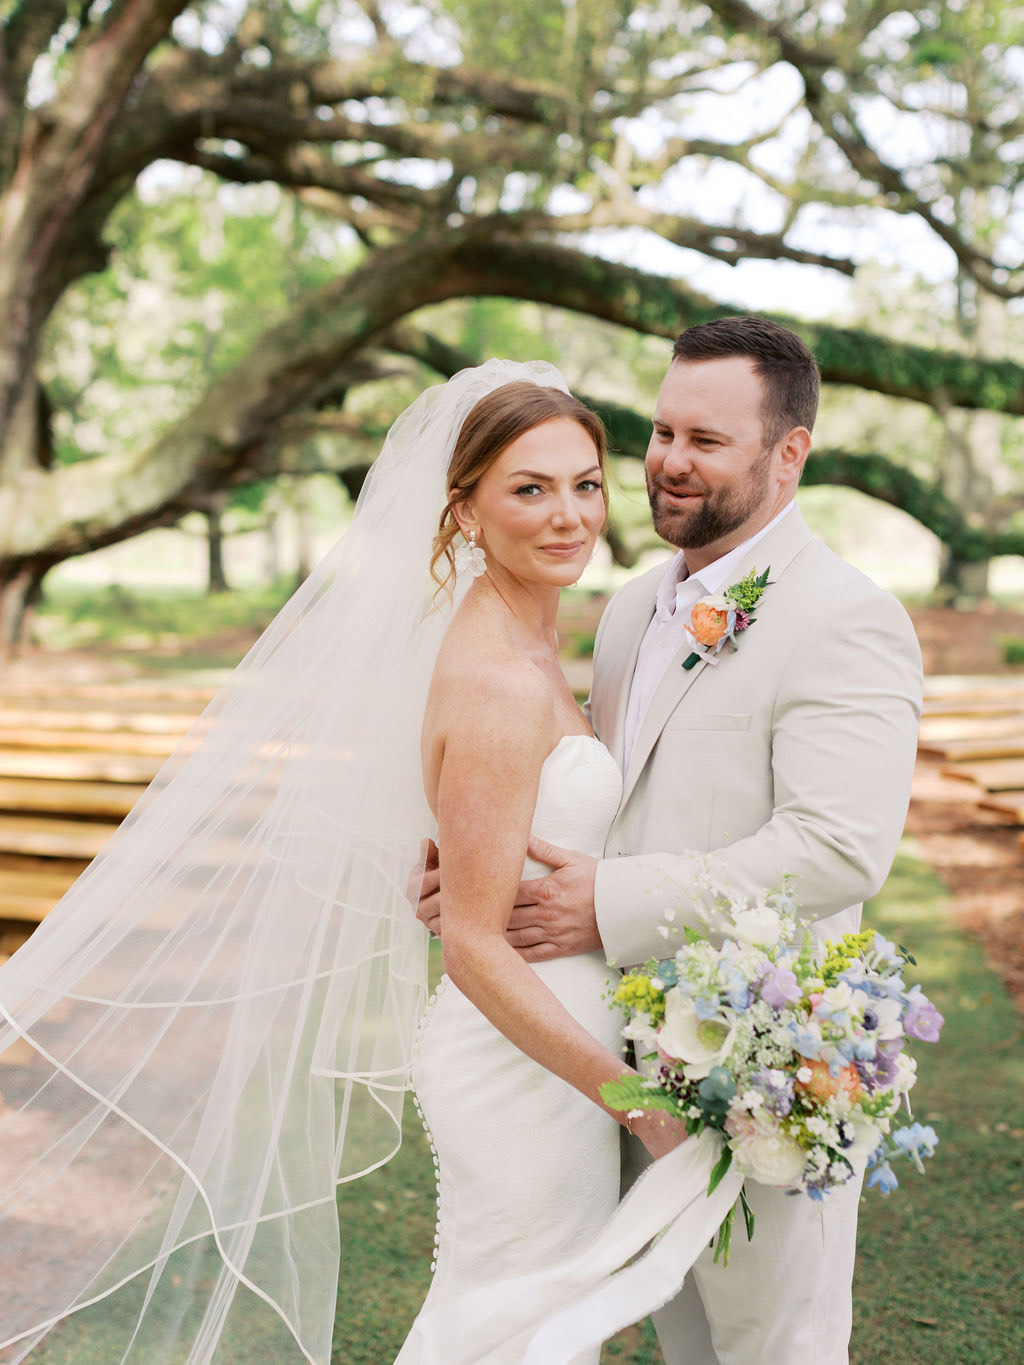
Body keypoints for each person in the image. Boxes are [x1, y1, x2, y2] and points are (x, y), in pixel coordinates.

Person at [0, 358, 710, 1365]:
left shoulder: (533, 640)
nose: (569, 516)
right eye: (529, 488)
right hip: (522, 1065)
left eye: (585, 484)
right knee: (507, 1325)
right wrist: (632, 1102)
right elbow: (471, 944)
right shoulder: (499, 681)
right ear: (464, 511)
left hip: (563, 1038)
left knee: (530, 1327)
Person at [416, 317, 924, 1364]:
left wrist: (601, 902)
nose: (669, 462)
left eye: (707, 440)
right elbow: (595, 791)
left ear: (789, 453)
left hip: (758, 1069)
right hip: (608, 1063)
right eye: (661, 431)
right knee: (674, 1338)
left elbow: (837, 847)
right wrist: (482, 878)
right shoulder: (628, 606)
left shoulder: (846, 618)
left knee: (770, 1343)